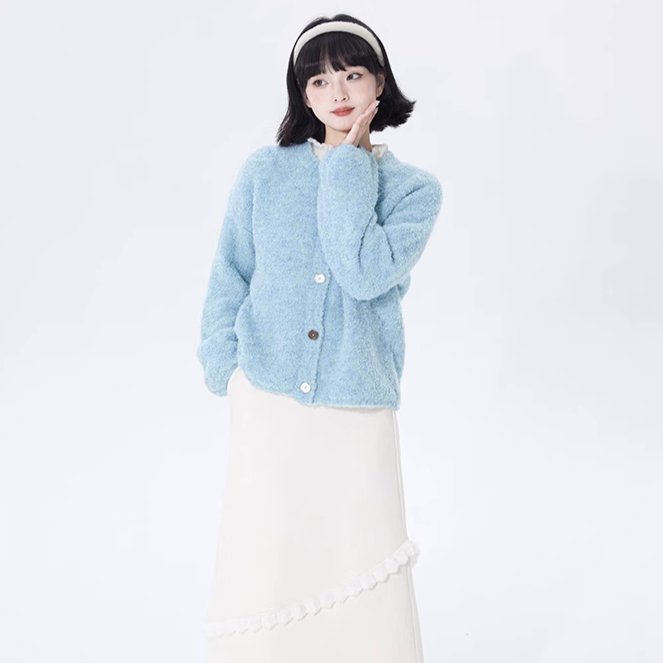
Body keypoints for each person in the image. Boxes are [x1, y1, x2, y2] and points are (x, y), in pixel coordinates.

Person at [196, 13, 443, 663]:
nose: (337, 92)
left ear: (379, 84)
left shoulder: (414, 191)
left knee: (356, 554)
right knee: (269, 552)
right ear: (301, 95)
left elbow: (361, 272)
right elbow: (230, 272)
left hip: (356, 399)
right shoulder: (264, 172)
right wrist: (227, 370)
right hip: (267, 393)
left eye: (352, 74)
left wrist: (347, 166)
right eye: (319, 80)